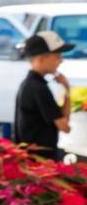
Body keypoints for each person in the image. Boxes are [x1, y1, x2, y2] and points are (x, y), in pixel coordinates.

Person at [13, 30, 74, 160]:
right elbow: (65, 127)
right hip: (38, 161)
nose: (61, 61)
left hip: (33, 158)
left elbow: (61, 120)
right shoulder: (38, 88)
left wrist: (66, 90)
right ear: (41, 59)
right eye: (57, 56)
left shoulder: (32, 84)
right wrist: (67, 89)